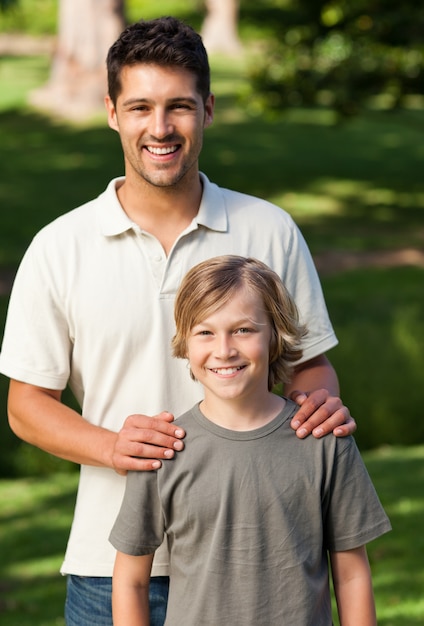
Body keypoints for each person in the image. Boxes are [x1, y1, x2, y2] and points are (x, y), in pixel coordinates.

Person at [0, 16, 356, 626]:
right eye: (140, 106)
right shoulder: (59, 246)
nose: (160, 128)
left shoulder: (269, 231)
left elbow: (310, 368)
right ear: (112, 111)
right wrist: (115, 448)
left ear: (208, 109)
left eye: (179, 107)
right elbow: (26, 405)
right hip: (109, 563)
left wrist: (318, 405)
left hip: (257, 557)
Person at [110, 255, 391, 626]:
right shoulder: (163, 450)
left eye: (243, 330)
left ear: (276, 334)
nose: (224, 349)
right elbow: (130, 580)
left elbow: (352, 574)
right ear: (186, 342)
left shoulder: (325, 441)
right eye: (205, 332)